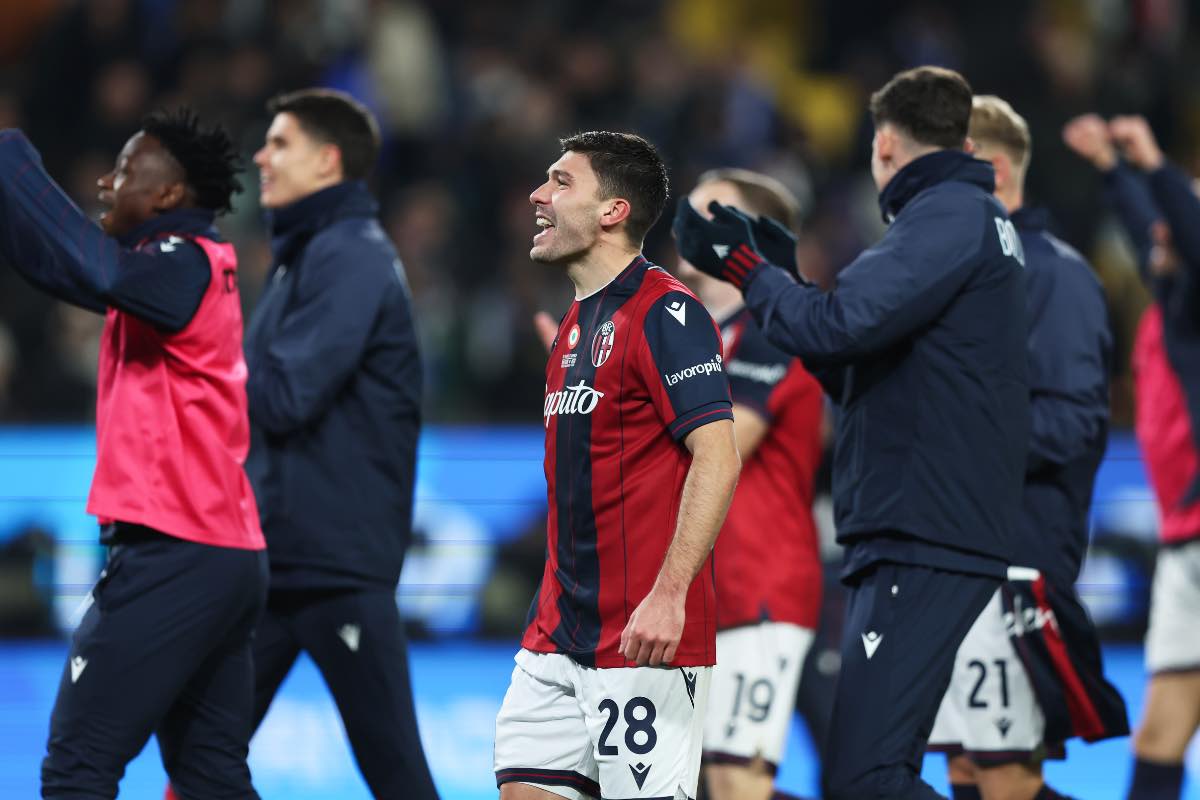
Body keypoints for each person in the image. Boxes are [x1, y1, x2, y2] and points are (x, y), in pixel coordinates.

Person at [674, 65, 1031, 800]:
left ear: (886, 147)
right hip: (926, 529)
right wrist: (780, 279)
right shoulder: (970, 222)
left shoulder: (945, 218)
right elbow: (861, 363)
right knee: (865, 776)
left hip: (919, 531)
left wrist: (749, 269)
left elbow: (837, 329)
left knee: (865, 779)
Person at [0, 110, 267, 798]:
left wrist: (11, 157)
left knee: (76, 769)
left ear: (170, 196)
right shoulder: (171, 272)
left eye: (124, 171)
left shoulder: (183, 265)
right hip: (221, 556)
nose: (104, 181)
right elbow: (58, 266)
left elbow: (88, 265)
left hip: (174, 553)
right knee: (210, 779)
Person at [494, 131, 741, 800]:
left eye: (561, 182)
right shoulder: (573, 327)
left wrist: (670, 595)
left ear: (613, 211)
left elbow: (717, 458)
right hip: (553, 635)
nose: (538, 196)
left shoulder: (668, 313)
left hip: (642, 640)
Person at [926, 95, 1128, 800]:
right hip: (947, 559)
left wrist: (949, 440)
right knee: (962, 766)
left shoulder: (1057, 275)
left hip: (1017, 559)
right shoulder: (952, 275)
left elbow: (1073, 423)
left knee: (1005, 772)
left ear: (992, 170)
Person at [242, 89, 437, 799]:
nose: (261, 156)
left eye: (280, 142)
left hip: (335, 566)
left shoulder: (349, 255)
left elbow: (288, 395)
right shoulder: (306, 255)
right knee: (201, 746)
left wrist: (200, 372)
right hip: (283, 559)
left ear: (328, 162)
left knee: (394, 771)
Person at [673, 169, 824, 800]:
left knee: (739, 780)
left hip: (758, 590)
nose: (690, 222)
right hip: (698, 596)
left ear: (752, 239)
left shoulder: (774, 326)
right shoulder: (699, 335)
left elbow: (726, 448)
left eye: (713, 212)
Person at [1063, 112, 1200, 800]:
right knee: (1159, 739)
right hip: (1186, 544)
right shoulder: (1169, 299)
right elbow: (1161, 225)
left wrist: (1150, 164)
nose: (1163, 234)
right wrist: (1115, 171)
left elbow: (1184, 226)